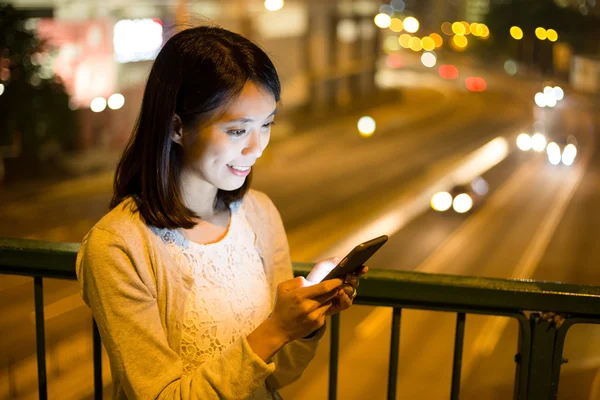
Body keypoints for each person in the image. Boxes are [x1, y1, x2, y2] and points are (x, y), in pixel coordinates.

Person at [76, 25, 367, 400]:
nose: (256, 148)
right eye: (237, 131)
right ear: (177, 126)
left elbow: (279, 376)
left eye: (266, 125)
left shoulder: (259, 213)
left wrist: (305, 323)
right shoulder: (117, 247)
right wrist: (276, 328)